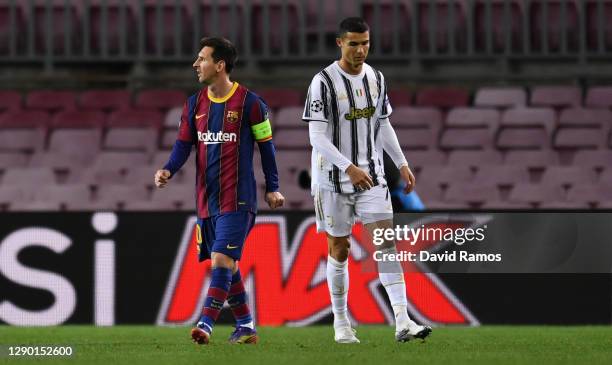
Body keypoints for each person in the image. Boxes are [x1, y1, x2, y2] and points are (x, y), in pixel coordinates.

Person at [302, 17, 432, 343]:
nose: (360, 50)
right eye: (353, 44)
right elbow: (316, 137)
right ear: (339, 43)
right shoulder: (323, 82)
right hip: (333, 179)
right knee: (340, 248)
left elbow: (383, 124)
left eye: (365, 43)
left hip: (372, 177)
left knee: (386, 245)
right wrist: (348, 168)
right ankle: (341, 323)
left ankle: (403, 321)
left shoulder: (376, 78)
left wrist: (401, 163)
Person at [155, 37, 285, 345]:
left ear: (220, 65)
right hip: (207, 201)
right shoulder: (194, 104)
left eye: (202, 59)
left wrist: (273, 187)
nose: (196, 64)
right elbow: (183, 145)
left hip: (239, 200)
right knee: (229, 264)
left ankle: (206, 323)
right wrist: (167, 170)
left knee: (221, 261)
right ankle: (246, 325)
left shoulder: (251, 103)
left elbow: (267, 148)